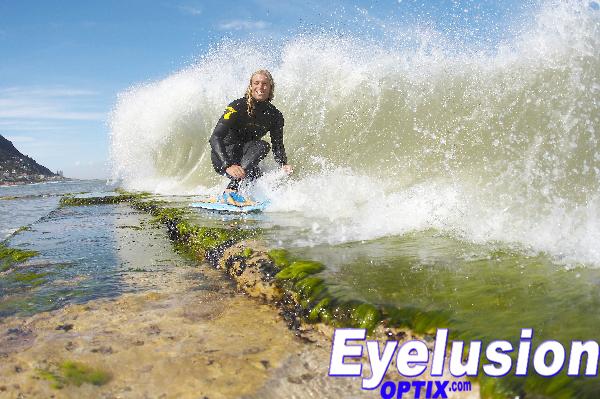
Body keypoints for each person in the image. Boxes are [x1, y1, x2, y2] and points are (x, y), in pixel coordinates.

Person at [209, 69, 292, 205]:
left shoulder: (275, 116)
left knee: (256, 175)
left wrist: (283, 164)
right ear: (251, 86)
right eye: (256, 83)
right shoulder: (236, 106)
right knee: (262, 145)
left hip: (245, 159)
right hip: (224, 157)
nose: (260, 87)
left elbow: (277, 145)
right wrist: (228, 165)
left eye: (265, 84)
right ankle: (231, 190)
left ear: (271, 87)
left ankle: (243, 198)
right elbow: (215, 137)